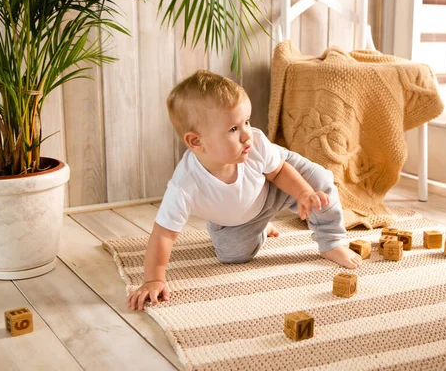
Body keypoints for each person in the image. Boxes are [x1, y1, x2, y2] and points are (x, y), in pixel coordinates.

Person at [127, 70, 362, 311]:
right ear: (197, 142)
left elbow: (279, 171)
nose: (247, 134)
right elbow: (164, 234)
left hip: (275, 179)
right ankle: (261, 224)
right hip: (238, 216)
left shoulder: (255, 145)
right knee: (233, 256)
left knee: (319, 181)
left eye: (246, 122)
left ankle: (331, 242)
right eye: (233, 129)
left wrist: (303, 193)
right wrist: (154, 279)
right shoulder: (185, 184)